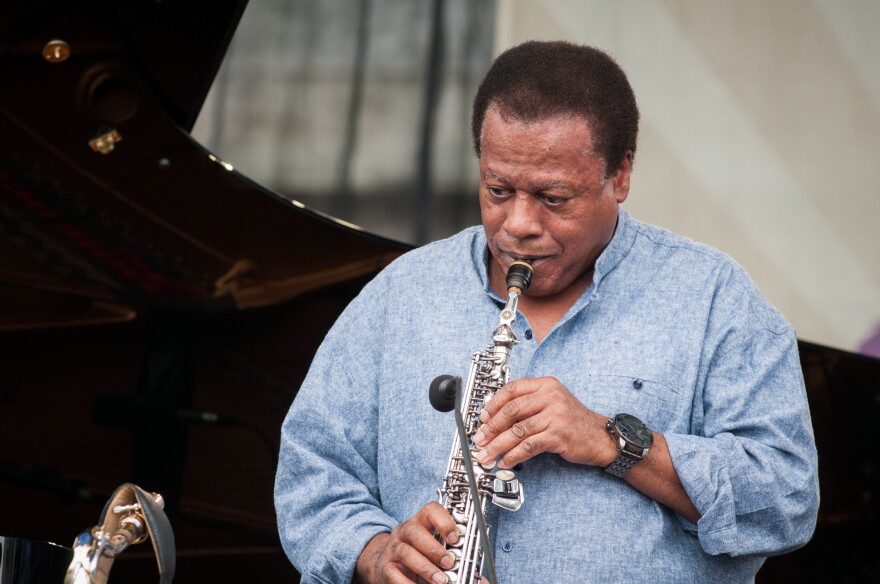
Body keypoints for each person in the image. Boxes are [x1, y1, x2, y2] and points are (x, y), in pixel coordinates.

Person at [274, 40, 819, 583]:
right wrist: (374, 554)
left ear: (621, 175)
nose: (518, 224)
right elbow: (311, 475)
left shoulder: (714, 297)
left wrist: (612, 441)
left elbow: (786, 498)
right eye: (497, 189)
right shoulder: (401, 293)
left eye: (553, 198)